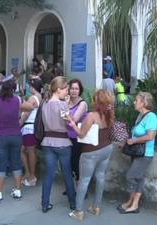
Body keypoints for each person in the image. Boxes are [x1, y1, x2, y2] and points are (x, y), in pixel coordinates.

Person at [67, 89, 115, 220]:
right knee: (100, 177)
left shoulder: (92, 116)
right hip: (107, 148)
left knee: (84, 180)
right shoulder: (110, 114)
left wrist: (72, 124)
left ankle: (78, 211)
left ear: (97, 102)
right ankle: (96, 207)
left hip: (91, 152)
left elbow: (81, 134)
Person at [0, 79, 33, 201]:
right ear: (13, 89)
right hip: (16, 135)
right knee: (16, 162)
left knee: (1, 164)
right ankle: (18, 190)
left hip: (1, 135)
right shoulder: (17, 99)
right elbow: (31, 107)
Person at [117, 92, 157, 214]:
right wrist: (125, 142)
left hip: (145, 153)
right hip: (137, 152)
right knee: (138, 178)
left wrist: (134, 140)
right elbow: (135, 132)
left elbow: (151, 136)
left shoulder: (151, 117)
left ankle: (132, 202)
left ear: (144, 103)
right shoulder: (140, 116)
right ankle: (133, 204)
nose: (134, 102)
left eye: (136, 100)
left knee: (130, 176)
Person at [40, 76, 76, 213]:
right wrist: (66, 105)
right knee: (67, 173)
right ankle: (73, 203)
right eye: (66, 89)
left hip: (47, 141)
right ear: (59, 89)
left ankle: (45, 203)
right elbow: (69, 122)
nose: (67, 92)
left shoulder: (45, 103)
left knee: (49, 173)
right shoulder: (62, 105)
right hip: (63, 142)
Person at [19, 78, 43, 187]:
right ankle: (29, 173)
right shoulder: (39, 97)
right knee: (24, 150)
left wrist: (18, 124)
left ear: (32, 86)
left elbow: (26, 113)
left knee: (30, 151)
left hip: (29, 127)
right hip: (31, 127)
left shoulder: (33, 98)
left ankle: (32, 176)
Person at [66, 79, 88, 182]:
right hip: (66, 137)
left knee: (76, 163)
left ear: (80, 90)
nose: (74, 91)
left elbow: (74, 120)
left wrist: (64, 111)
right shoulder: (66, 102)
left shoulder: (82, 104)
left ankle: (80, 189)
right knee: (67, 164)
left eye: (76, 89)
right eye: (72, 88)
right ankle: (70, 187)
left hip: (77, 138)